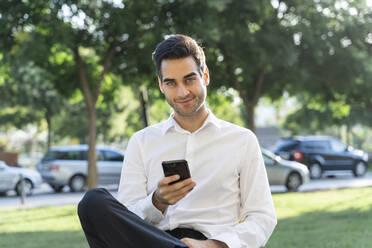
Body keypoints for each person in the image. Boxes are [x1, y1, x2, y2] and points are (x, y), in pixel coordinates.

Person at [78, 34, 277, 248]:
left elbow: (261, 217)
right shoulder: (141, 142)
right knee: (92, 203)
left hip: (209, 243)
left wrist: (212, 245)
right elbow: (125, 221)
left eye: (189, 79)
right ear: (161, 86)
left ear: (205, 76)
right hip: (153, 242)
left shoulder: (242, 141)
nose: (182, 92)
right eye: (171, 83)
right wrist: (157, 201)